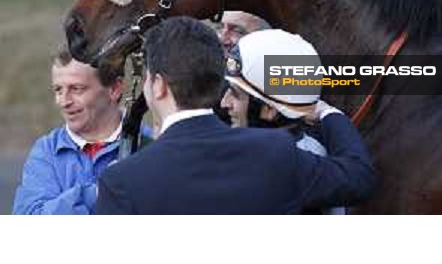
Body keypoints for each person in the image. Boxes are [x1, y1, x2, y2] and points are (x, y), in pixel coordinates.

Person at [95, 16, 376, 214]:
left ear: (158, 86)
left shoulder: (122, 182)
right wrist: (327, 114)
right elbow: (357, 178)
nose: (228, 102)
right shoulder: (276, 153)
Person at [221, 28, 349, 213]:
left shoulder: (288, 168)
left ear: (270, 110)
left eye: (235, 94)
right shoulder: (320, 161)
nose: (225, 103)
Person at [13, 46, 124, 215]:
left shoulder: (149, 145)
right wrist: (96, 193)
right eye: (58, 90)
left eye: (76, 89)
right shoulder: (47, 152)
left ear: (114, 89)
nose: (64, 102)